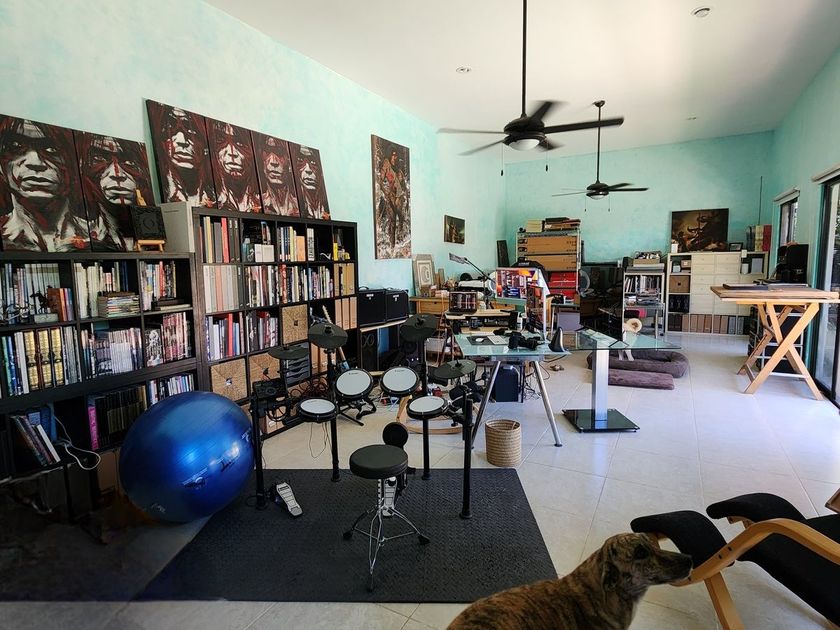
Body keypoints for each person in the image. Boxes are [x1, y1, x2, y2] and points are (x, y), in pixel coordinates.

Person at [0, 116, 90, 251]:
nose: (35, 162)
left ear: (77, 162)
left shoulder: (97, 237)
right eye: (16, 146)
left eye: (51, 149)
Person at [76, 132, 155, 251]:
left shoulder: (148, 224)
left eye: (129, 163)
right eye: (99, 159)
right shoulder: (78, 230)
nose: (117, 174)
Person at [145, 101, 215, 207]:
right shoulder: (166, 192)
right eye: (170, 128)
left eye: (190, 130)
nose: (182, 141)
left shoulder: (213, 197)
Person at [209, 121, 261, 213]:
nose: (232, 152)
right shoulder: (211, 200)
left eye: (240, 143)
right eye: (221, 139)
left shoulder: (262, 203)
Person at [253, 132, 299, 216]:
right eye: (267, 151)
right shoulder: (256, 203)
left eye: (280, 152)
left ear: (290, 162)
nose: (273, 161)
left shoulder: (299, 205)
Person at [292, 144, 329, 219]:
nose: (308, 169)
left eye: (313, 162)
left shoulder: (325, 206)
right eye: (300, 160)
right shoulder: (294, 204)